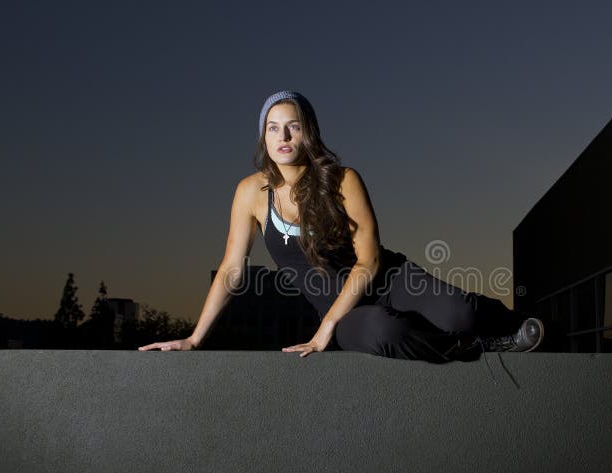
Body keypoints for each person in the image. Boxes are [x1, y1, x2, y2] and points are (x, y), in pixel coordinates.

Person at [138, 90, 544, 362]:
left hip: (388, 280)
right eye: (273, 127)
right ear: (263, 135)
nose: (283, 136)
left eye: (294, 126)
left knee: (459, 313)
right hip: (344, 311)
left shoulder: (343, 180)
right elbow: (231, 269)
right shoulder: (250, 193)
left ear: (308, 132)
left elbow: (369, 261)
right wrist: (194, 338)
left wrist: (325, 328)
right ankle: (473, 347)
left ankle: (506, 323)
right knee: (387, 332)